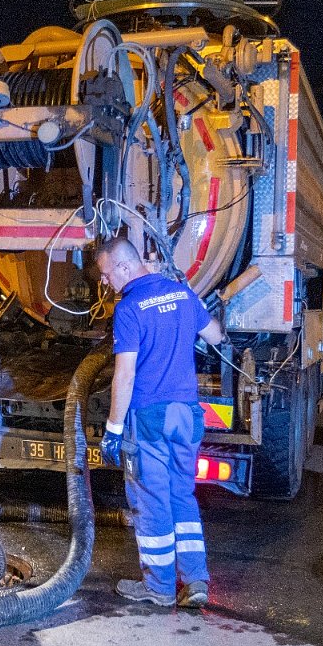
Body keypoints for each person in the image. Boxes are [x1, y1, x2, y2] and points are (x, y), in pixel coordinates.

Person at [95, 237, 226, 607]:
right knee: (182, 495)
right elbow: (215, 335)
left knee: (151, 503)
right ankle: (196, 580)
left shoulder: (130, 308)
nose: (105, 283)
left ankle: (159, 588)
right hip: (186, 414)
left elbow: (125, 375)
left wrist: (113, 430)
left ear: (123, 266)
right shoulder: (184, 294)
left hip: (149, 417)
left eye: (106, 275)